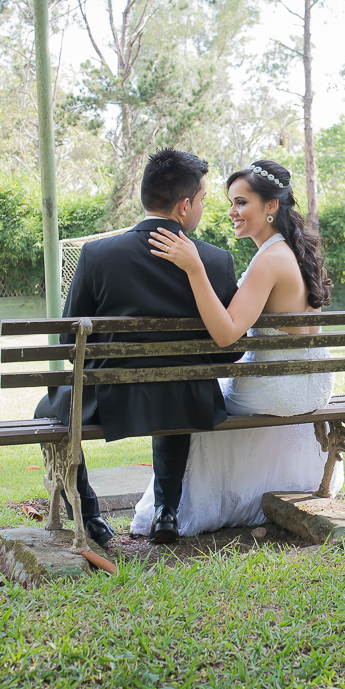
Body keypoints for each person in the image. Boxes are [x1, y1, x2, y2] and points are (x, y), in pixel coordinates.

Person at [33, 148, 242, 546]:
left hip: (112, 400)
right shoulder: (215, 261)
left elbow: (69, 340)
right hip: (190, 399)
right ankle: (166, 510)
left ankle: (90, 514)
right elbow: (229, 351)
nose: (201, 208)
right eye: (201, 200)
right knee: (172, 391)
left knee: (47, 409)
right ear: (184, 206)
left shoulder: (97, 255)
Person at [129, 160, 342, 537]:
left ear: (271, 206)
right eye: (230, 202)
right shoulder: (290, 251)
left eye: (241, 203)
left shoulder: (270, 260)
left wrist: (195, 268)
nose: (232, 212)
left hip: (277, 390)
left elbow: (227, 334)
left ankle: (174, 509)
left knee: (192, 402)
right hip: (312, 387)